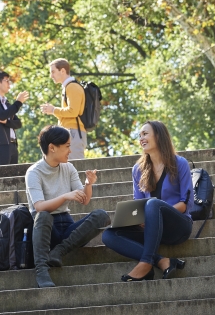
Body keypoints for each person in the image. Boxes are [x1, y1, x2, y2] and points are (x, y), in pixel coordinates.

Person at [102, 120, 193, 281]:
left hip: (177, 227)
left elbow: (185, 204)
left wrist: (155, 212)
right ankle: (161, 261)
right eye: (139, 135)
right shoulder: (138, 169)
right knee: (108, 235)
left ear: (158, 136)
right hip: (151, 231)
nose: (141, 138)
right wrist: (139, 219)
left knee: (153, 204)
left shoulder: (180, 163)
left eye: (145, 134)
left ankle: (145, 262)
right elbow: (138, 205)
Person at [25, 125, 111, 288]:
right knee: (42, 215)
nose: (70, 151)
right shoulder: (34, 173)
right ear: (52, 148)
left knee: (101, 215)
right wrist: (65, 196)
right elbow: (39, 207)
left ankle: (59, 251)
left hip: (67, 227)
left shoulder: (68, 167)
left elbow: (84, 200)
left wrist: (88, 184)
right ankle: (41, 270)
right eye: (67, 146)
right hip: (46, 230)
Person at [40, 58, 86, 160]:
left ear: (63, 71)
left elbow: (73, 111)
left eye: (53, 72)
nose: (51, 75)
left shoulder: (72, 87)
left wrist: (53, 110)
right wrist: (52, 111)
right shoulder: (68, 87)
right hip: (70, 132)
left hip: (73, 132)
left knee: (76, 167)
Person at [0, 70, 29, 165]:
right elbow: (2, 115)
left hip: (13, 144)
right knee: (3, 176)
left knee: (13, 176)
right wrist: (18, 102)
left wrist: (6, 122)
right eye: (7, 80)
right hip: (1, 144)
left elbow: (18, 123)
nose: (9, 84)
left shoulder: (6, 103)